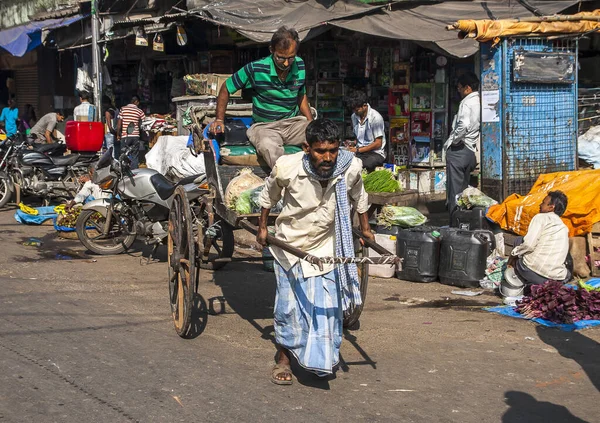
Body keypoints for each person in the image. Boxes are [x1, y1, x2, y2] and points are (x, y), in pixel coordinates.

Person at [257, 118, 374, 385]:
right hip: (290, 244)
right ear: (306, 147)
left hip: (327, 245)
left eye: (333, 150)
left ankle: (318, 360)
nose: (328, 157)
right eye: (321, 151)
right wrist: (262, 228)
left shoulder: (350, 167)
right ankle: (284, 358)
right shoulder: (287, 166)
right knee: (290, 308)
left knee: (325, 308)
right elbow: (268, 197)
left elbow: (360, 196)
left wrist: (365, 230)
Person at [209, 26, 313, 169]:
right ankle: (287, 179)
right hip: (265, 127)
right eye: (281, 58)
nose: (286, 63)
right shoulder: (256, 68)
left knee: (321, 135)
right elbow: (226, 87)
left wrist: (311, 123)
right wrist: (219, 119)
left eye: (291, 58)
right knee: (268, 146)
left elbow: (301, 95)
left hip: (292, 124)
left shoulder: (299, 65)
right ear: (271, 50)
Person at [508, 191, 571, 286]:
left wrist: (513, 257)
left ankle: (514, 277)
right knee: (568, 274)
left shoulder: (540, 218)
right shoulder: (563, 227)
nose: (540, 205)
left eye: (543, 203)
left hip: (532, 272)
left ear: (551, 207)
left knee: (519, 240)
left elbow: (528, 245)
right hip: (557, 280)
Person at [444, 72, 480, 215]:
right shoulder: (478, 101)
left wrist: (455, 141)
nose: (458, 91)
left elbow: (463, 125)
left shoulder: (466, 103)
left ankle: (455, 220)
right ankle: (465, 220)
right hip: (470, 150)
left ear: (467, 88)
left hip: (460, 150)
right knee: (464, 189)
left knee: (455, 191)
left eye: (459, 88)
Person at [347, 91, 387, 172]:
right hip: (361, 153)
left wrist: (358, 150)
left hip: (375, 153)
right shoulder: (354, 117)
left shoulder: (375, 117)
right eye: (354, 110)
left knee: (363, 164)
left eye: (357, 110)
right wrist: (353, 143)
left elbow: (378, 143)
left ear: (365, 106)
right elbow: (359, 139)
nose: (355, 112)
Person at [116, 95, 145, 169]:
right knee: (135, 156)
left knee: (123, 155)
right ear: (136, 102)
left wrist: (118, 134)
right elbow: (143, 123)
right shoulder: (139, 111)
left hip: (126, 136)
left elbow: (119, 124)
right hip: (135, 136)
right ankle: (134, 173)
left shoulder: (123, 109)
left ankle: (124, 173)